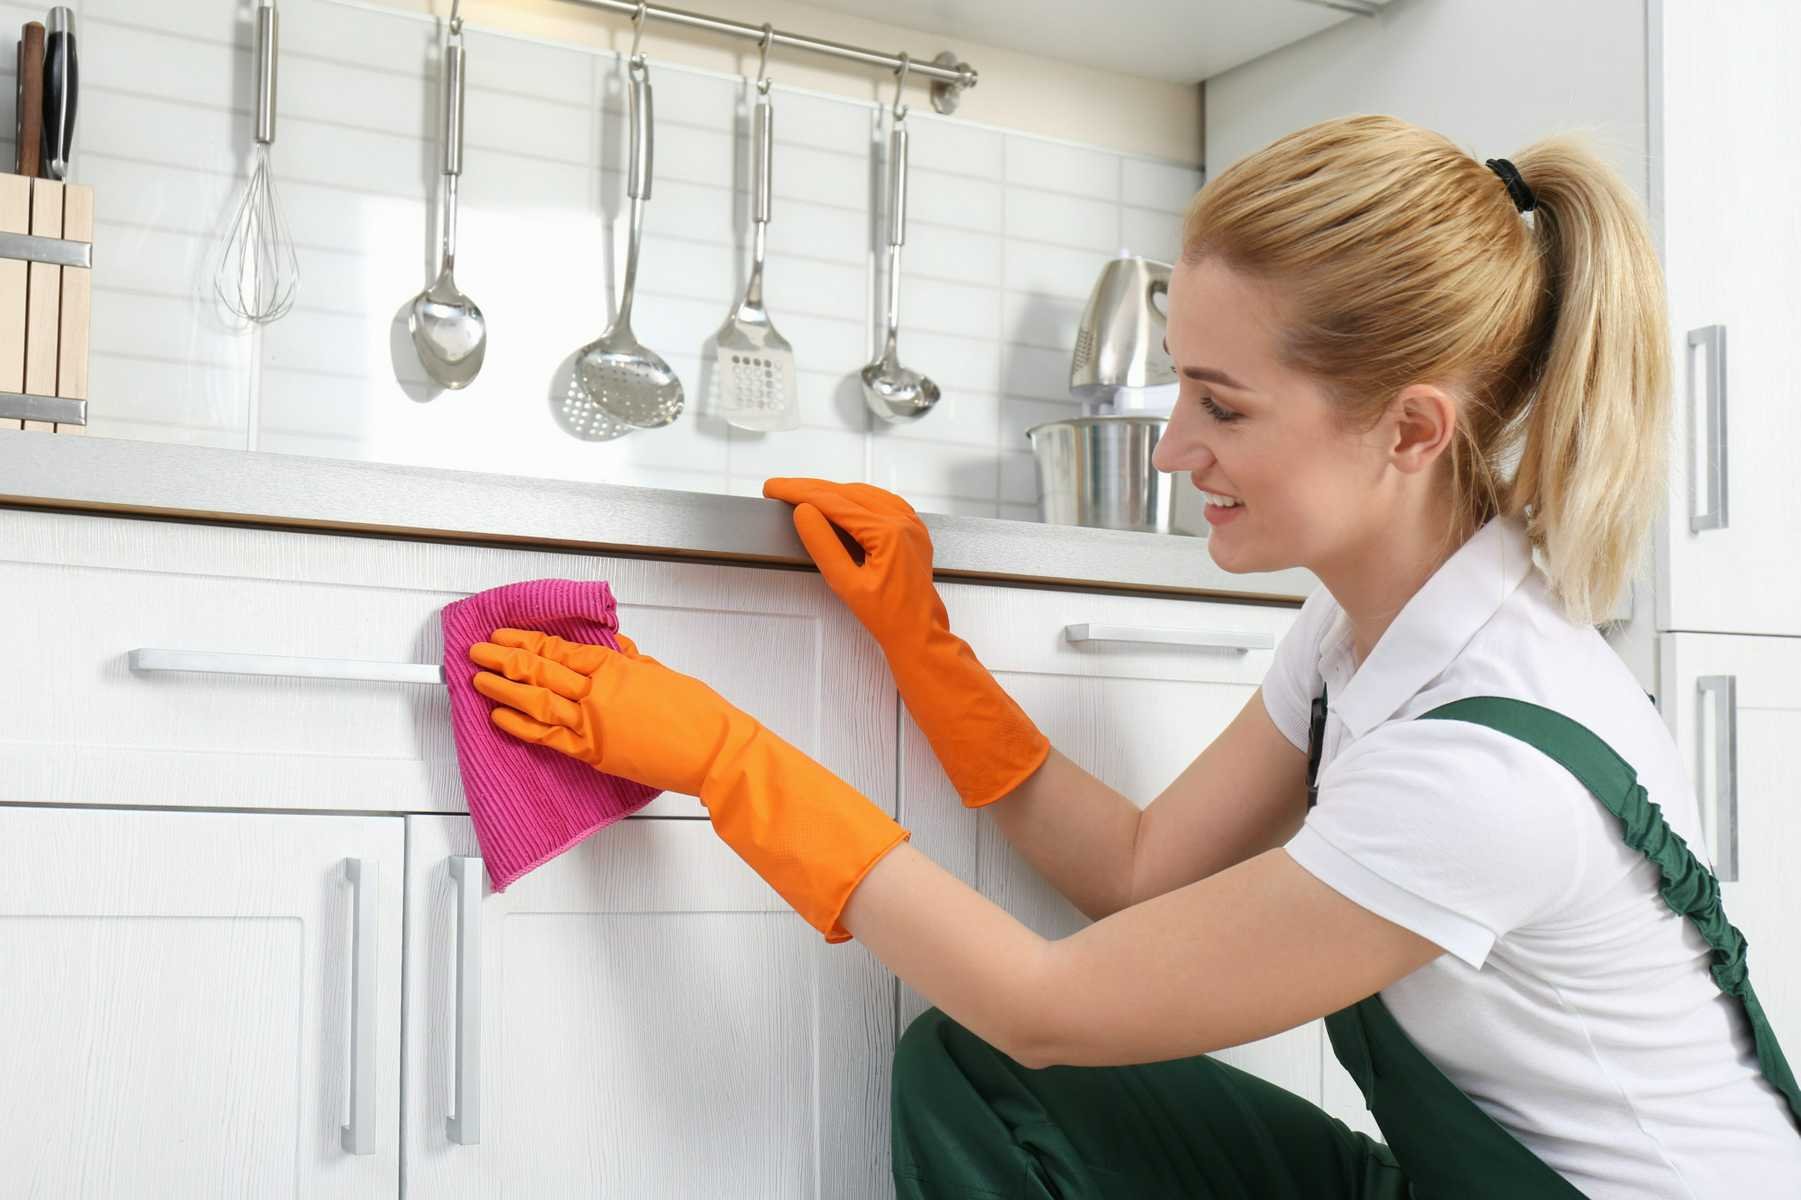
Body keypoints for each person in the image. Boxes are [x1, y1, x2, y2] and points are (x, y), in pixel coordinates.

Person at [465, 114, 1801, 1197]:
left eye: (1220, 405)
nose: (1171, 449)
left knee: (1016, 1038)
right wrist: (925, 648)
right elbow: (1140, 871)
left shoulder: (1485, 764)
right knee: (983, 1077)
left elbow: (1048, 999)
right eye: (1179, 385)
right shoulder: (1369, 626)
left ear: (1407, 431)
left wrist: (727, 758)